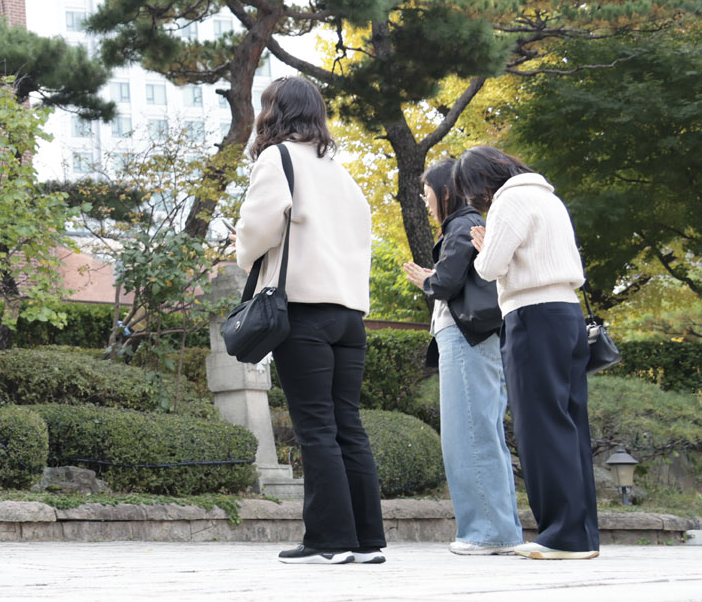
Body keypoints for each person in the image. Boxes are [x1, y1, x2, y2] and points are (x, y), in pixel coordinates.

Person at [233, 76, 381, 566]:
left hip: (304, 310)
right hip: (349, 315)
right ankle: (365, 541)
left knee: (316, 427)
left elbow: (254, 233)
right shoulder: (340, 171)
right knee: (347, 426)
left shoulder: (279, 159)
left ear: (274, 111)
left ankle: (329, 538)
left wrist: (245, 253)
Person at [458, 146, 599, 559]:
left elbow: (488, 268)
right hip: (568, 313)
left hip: (532, 315)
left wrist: (483, 246)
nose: (476, 200)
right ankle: (581, 535)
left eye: (474, 190)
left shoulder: (509, 200)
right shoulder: (548, 198)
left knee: (540, 425)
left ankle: (560, 536)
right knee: (570, 424)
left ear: (485, 180)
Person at [401, 160, 523, 556]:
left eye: (428, 192)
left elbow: (448, 281)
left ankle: (487, 531)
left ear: (446, 191)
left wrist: (427, 280)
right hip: (478, 338)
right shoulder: (469, 223)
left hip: (465, 337)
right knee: (482, 431)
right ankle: (498, 529)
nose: (425, 200)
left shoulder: (460, 225)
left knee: (468, 433)